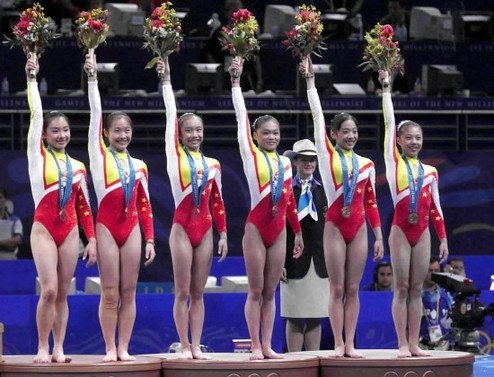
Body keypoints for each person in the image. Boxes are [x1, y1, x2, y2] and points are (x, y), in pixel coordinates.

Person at [303, 57, 384, 358]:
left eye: (354, 131)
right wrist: (311, 82)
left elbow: (371, 202)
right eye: (345, 131)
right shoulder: (326, 156)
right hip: (335, 227)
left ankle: (351, 343)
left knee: (354, 289)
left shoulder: (367, 164)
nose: (350, 135)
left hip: (359, 228)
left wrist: (378, 235)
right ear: (334, 135)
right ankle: (338, 343)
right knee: (336, 288)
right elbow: (317, 118)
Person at [230, 57, 304, 360]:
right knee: (256, 290)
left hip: (280, 231)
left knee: (272, 293)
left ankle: (268, 344)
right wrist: (236, 83)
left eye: (275, 132)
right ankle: (255, 345)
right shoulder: (251, 156)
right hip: (256, 229)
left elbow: (288, 201)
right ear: (256, 136)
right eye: (266, 133)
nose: (272, 136)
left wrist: (297, 233)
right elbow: (241, 119)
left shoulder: (287, 163)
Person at [25, 55, 97, 363]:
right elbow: (36, 115)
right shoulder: (37, 156)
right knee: (50, 290)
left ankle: (58, 348)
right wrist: (31, 79)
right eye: (55, 130)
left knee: (64, 293)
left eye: (65, 130)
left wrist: (91, 239)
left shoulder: (78, 167)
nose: (61, 135)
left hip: (70, 233)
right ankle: (42, 345)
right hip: (43, 229)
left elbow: (83, 207)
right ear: (45, 135)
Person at [84, 54, 156, 362]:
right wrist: (92, 79)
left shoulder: (140, 166)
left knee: (129, 292)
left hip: (133, 231)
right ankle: (109, 348)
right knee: (110, 292)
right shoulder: (99, 156)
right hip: (107, 228)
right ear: (106, 134)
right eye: (117, 130)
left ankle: (124, 347)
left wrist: (150, 239)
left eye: (127, 130)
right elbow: (96, 114)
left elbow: (145, 205)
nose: (123, 135)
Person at [158, 57, 228, 360]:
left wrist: (223, 234)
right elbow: (171, 114)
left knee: (199, 293)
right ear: (180, 134)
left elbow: (218, 202)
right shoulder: (175, 156)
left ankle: (197, 344)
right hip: (182, 229)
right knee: (183, 291)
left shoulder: (213, 164)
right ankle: (183, 345)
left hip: (207, 230)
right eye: (189, 131)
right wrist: (167, 80)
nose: (195, 135)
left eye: (199, 130)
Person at [379, 69, 449, 357]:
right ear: (398, 141)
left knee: (418, 287)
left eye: (418, 138)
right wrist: (386, 89)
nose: (414, 142)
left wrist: (442, 239)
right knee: (402, 286)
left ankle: (414, 343)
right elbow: (389, 122)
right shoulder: (394, 163)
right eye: (408, 138)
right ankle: (401, 343)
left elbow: (436, 208)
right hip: (399, 230)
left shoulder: (430, 171)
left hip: (423, 233)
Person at [281, 139, 329, 352]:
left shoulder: (325, 190)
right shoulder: (284, 191)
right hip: (292, 260)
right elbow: (280, 229)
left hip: (320, 261)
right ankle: (294, 364)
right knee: (293, 315)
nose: (308, 163)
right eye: (304, 159)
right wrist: (279, 261)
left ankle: (312, 360)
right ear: (294, 162)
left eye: (312, 160)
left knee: (315, 315)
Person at [204, 0, 263, 93]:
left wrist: (259, 80)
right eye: (233, 11)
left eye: (239, 11)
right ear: (226, 13)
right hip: (225, 79)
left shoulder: (249, 33)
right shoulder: (219, 33)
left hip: (246, 80)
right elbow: (209, 54)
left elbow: (256, 58)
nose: (237, 14)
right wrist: (217, 74)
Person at [419, 256, 453, 350]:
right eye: (429, 270)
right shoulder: (414, 296)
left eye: (436, 270)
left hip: (443, 346)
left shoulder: (446, 295)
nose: (433, 274)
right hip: (420, 346)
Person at [0, 187, 23, 260]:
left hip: (8, 256)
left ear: (5, 199)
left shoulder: (15, 220)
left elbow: (17, 240)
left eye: (0, 198)